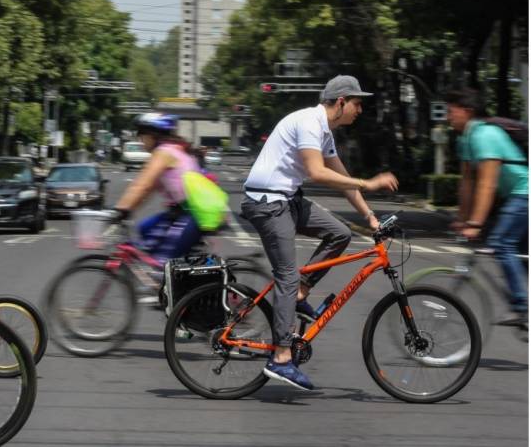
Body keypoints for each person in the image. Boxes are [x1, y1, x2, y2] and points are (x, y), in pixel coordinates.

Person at [240, 75, 398, 391]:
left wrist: (370, 218)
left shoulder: (324, 131)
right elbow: (317, 173)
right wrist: (369, 183)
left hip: (287, 199)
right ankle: (281, 358)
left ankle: (300, 292)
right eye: (357, 103)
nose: (360, 109)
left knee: (340, 233)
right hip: (268, 202)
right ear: (340, 102)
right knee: (285, 274)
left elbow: (342, 177)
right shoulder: (309, 122)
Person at [446, 87, 528, 328]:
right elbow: (468, 182)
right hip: (517, 195)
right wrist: (462, 218)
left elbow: (487, 183)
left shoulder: (484, 134)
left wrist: (475, 224)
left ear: (467, 111)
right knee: (521, 255)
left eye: (452, 112)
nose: (448, 117)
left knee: (502, 243)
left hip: (525, 192)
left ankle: (521, 308)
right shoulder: (466, 139)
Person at [111, 113, 204, 304]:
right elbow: (146, 191)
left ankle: (174, 296)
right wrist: (129, 209)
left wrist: (119, 210)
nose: (140, 140)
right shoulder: (172, 150)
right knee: (145, 228)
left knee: (164, 262)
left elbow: (141, 186)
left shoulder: (164, 153)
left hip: (192, 216)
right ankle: (167, 290)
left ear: (153, 135)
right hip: (180, 214)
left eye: (141, 135)